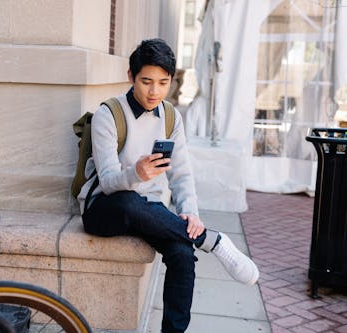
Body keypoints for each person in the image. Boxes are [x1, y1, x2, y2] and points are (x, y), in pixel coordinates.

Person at [77, 38, 259, 333]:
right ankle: (213, 242)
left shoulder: (171, 116)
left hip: (149, 210)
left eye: (163, 83)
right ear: (131, 77)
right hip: (105, 209)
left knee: (182, 254)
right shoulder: (108, 115)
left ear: (171, 81)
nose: (154, 91)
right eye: (146, 81)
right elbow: (109, 183)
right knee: (128, 201)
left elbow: (182, 174)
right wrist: (135, 173)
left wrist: (190, 212)